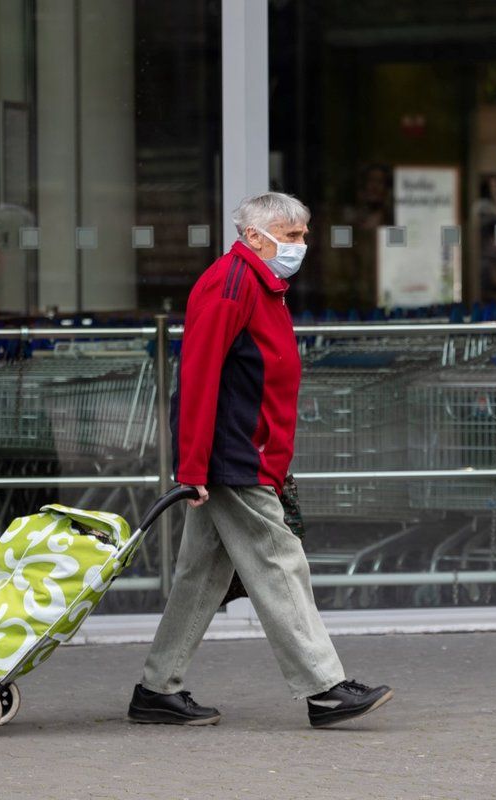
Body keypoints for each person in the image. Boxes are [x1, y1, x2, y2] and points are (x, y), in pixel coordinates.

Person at [126, 192, 394, 729]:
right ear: (254, 236)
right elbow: (198, 379)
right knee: (279, 559)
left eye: (302, 235)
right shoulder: (232, 285)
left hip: (241, 453)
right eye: (291, 236)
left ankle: (156, 689)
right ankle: (325, 688)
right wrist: (194, 467)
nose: (301, 245)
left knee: (200, 574)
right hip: (233, 456)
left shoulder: (257, 284)